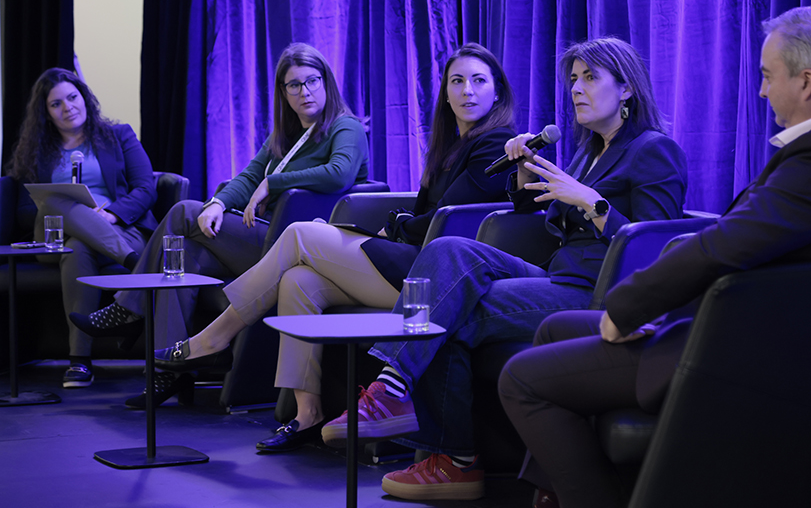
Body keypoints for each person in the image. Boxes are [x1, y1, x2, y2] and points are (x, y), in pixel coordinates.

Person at [498, 5, 811, 508]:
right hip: (732, 318)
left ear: (807, 81)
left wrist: (628, 308)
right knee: (555, 328)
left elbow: (725, 244)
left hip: (738, 343)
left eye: (768, 76)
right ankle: (556, 490)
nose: (761, 90)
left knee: (520, 379)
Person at [320, 36, 690, 502]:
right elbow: (542, 215)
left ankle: (452, 459)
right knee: (450, 250)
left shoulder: (654, 150)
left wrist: (593, 204)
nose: (577, 88)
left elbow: (653, 246)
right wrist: (525, 172)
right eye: (574, 79)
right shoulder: (588, 151)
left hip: (595, 292)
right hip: (557, 275)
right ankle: (395, 390)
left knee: (447, 312)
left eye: (590, 78)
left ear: (627, 88)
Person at [152, 42, 518, 451]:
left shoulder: (495, 144)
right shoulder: (450, 146)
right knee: (299, 281)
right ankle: (306, 413)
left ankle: (213, 339)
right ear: (446, 94)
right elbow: (425, 213)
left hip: (439, 277)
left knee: (299, 234)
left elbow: (447, 217)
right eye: (457, 81)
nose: (467, 90)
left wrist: (395, 226)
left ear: (497, 92)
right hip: (411, 257)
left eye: (478, 81)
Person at [70, 42, 370, 406]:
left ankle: (130, 308)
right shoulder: (285, 136)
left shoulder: (345, 127)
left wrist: (272, 183)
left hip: (296, 247)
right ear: (283, 92)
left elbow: (339, 173)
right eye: (294, 85)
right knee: (182, 254)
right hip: (264, 237)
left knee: (182, 212)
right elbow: (248, 177)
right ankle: (170, 373)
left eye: (312, 81)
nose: (304, 92)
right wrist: (218, 203)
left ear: (326, 82)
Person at [6, 68, 158, 389]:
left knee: (78, 247)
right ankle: (136, 265)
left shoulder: (119, 135)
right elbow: (24, 210)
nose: (68, 107)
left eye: (72, 97)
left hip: (119, 229)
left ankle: (79, 361)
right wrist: (63, 212)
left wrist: (111, 215)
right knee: (56, 201)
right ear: (46, 113)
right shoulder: (35, 150)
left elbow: (146, 188)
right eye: (56, 104)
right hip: (54, 237)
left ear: (84, 97)